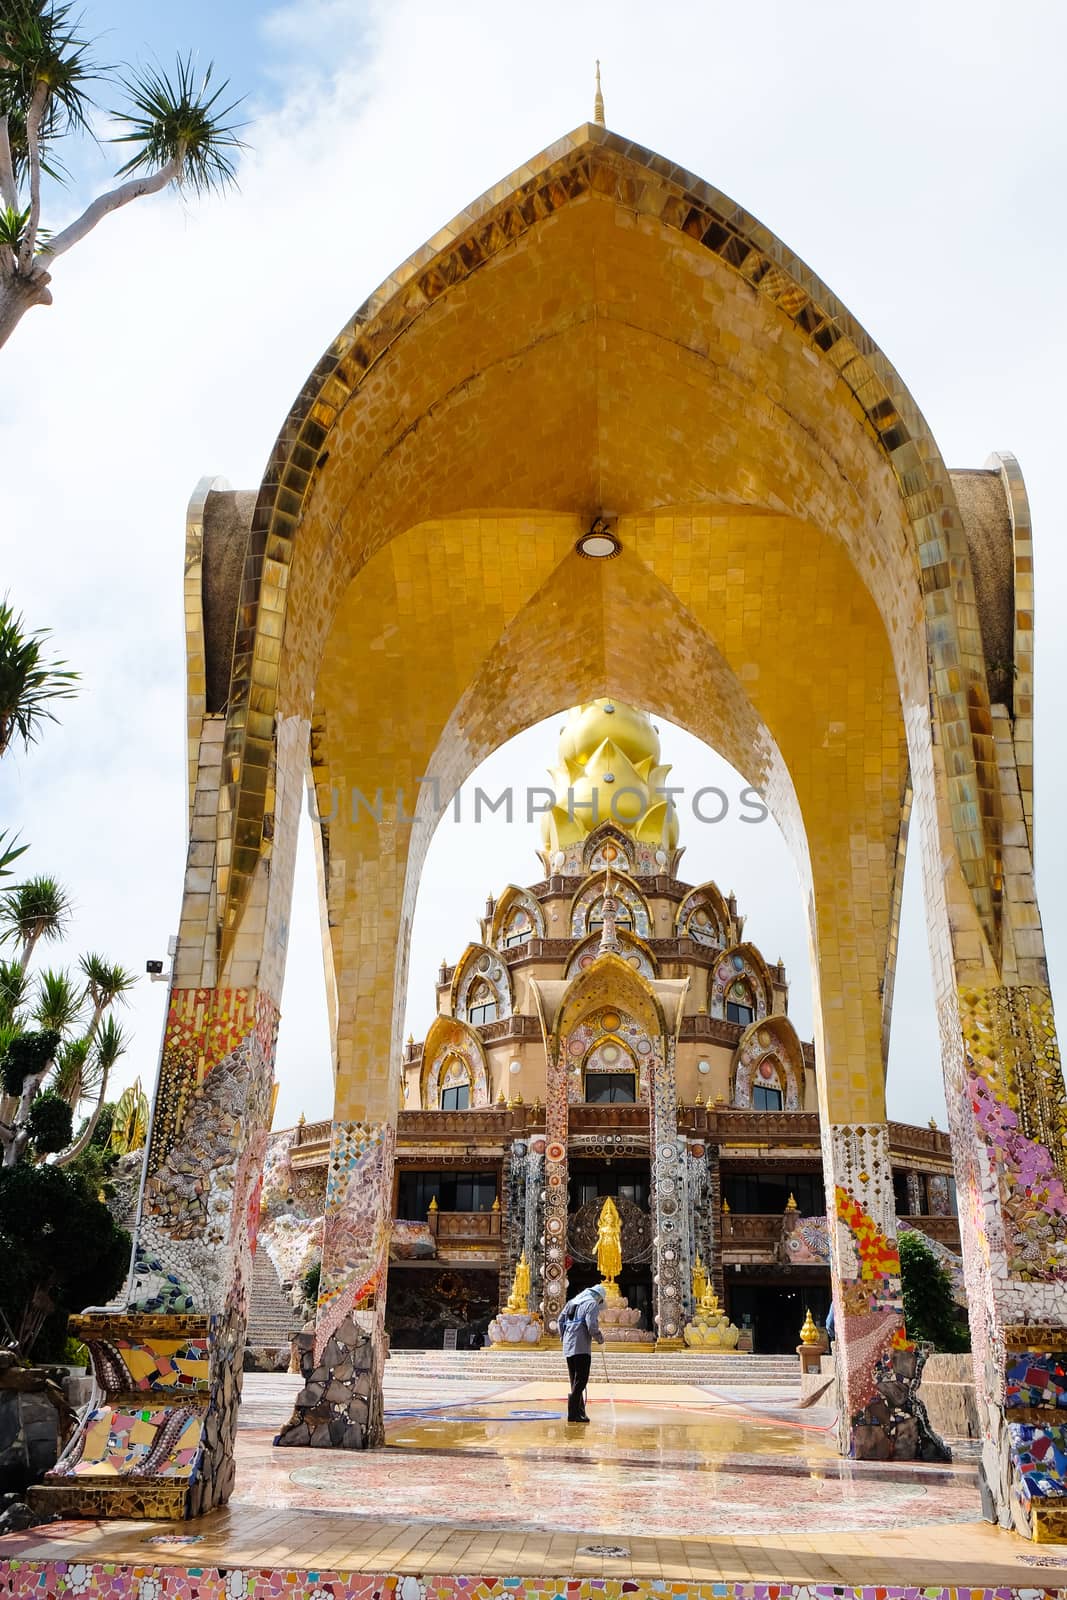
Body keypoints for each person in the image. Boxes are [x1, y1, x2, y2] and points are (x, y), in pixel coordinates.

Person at [558, 1282, 606, 1422]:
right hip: (581, 1347)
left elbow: (560, 1320)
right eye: (601, 1300)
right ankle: (573, 1413)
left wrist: (564, 1336)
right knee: (581, 1380)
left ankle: (580, 1412)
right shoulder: (591, 1304)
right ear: (598, 1297)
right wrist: (600, 1339)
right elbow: (591, 1325)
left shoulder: (572, 1302)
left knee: (575, 1380)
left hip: (569, 1346)